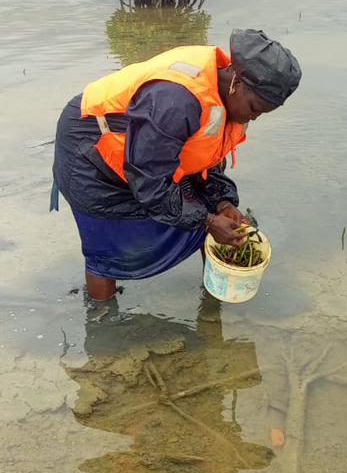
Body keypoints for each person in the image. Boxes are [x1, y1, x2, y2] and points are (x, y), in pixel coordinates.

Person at [52, 28, 301, 301]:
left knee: (208, 213)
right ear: (237, 83)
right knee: (106, 249)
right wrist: (207, 221)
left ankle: (211, 311)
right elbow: (148, 182)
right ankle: (103, 323)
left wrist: (222, 204)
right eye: (254, 108)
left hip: (148, 152)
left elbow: (206, 158)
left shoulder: (224, 97)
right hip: (90, 148)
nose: (252, 119)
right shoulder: (175, 101)